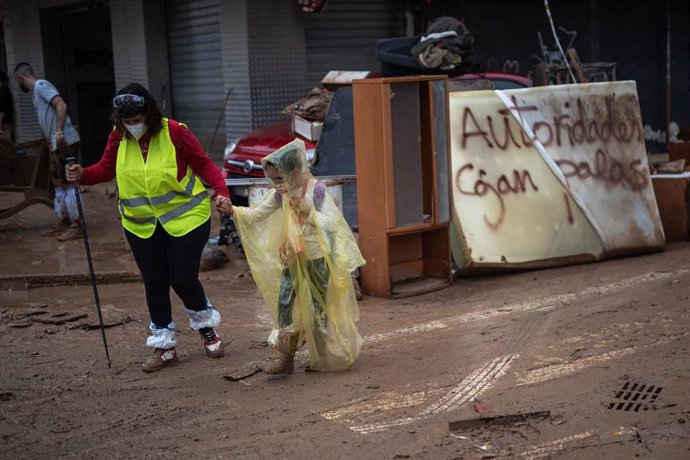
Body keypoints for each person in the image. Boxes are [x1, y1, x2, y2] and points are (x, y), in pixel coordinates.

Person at [65, 83, 231, 372]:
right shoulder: (118, 138)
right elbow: (105, 169)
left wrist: (221, 191)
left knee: (182, 278)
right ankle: (164, 345)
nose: (133, 126)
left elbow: (203, 164)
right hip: (140, 224)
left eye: (137, 120)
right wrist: (82, 174)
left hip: (187, 217)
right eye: (127, 122)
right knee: (154, 281)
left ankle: (206, 328)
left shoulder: (176, 132)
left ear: (149, 114)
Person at [219, 139, 364, 374]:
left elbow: (334, 224)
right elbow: (257, 215)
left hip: (316, 257)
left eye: (279, 178)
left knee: (319, 309)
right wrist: (232, 210)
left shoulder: (316, 191)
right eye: (272, 179)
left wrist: (308, 213)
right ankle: (285, 359)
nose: (276, 184)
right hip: (292, 257)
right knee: (285, 305)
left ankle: (322, 356)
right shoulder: (281, 195)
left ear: (294, 172)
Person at [14, 62, 83, 241]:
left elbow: (61, 105)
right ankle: (65, 221)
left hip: (65, 142)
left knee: (69, 184)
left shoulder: (41, 86)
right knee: (58, 184)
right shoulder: (36, 94)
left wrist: (59, 132)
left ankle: (77, 225)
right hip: (55, 145)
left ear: (19, 78)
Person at [0, 70, 15, 144]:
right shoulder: (5, 90)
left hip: (6, 123)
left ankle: (22, 154)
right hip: (7, 122)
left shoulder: (2, 91)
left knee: (9, 142)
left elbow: (2, 110)